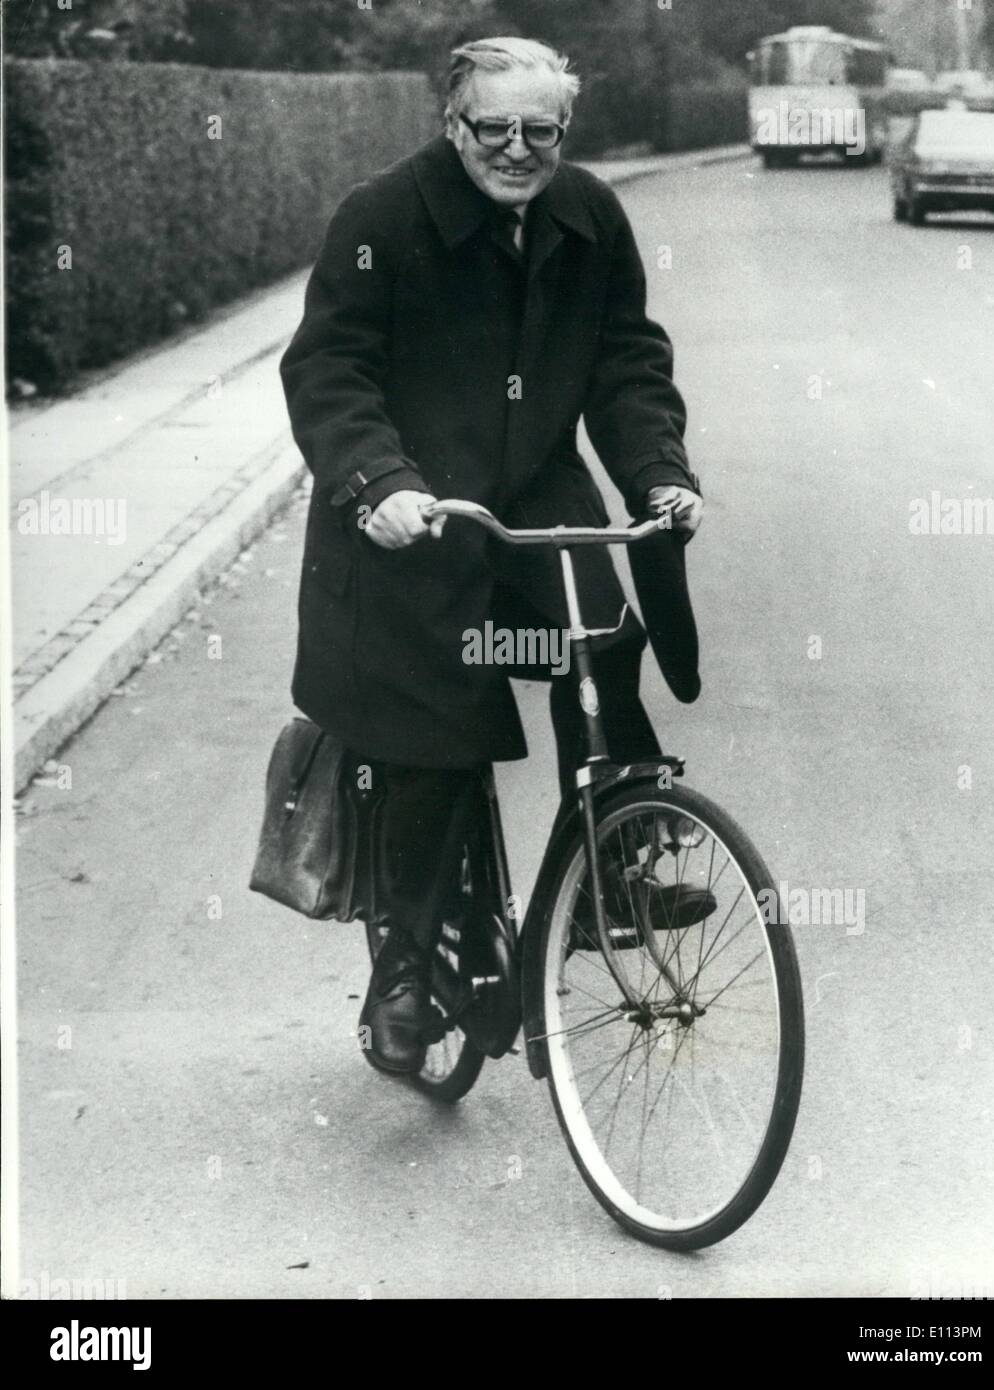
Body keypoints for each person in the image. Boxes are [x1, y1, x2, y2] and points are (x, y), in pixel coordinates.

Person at [280, 36, 704, 1076]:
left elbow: (625, 360)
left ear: (567, 128)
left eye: (541, 130)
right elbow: (331, 367)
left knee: (602, 641)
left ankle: (615, 860)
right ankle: (408, 972)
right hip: (416, 514)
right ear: (450, 120)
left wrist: (657, 471)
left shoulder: (589, 216)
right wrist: (378, 483)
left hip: (532, 495)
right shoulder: (381, 219)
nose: (517, 149)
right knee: (436, 729)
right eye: (494, 128)